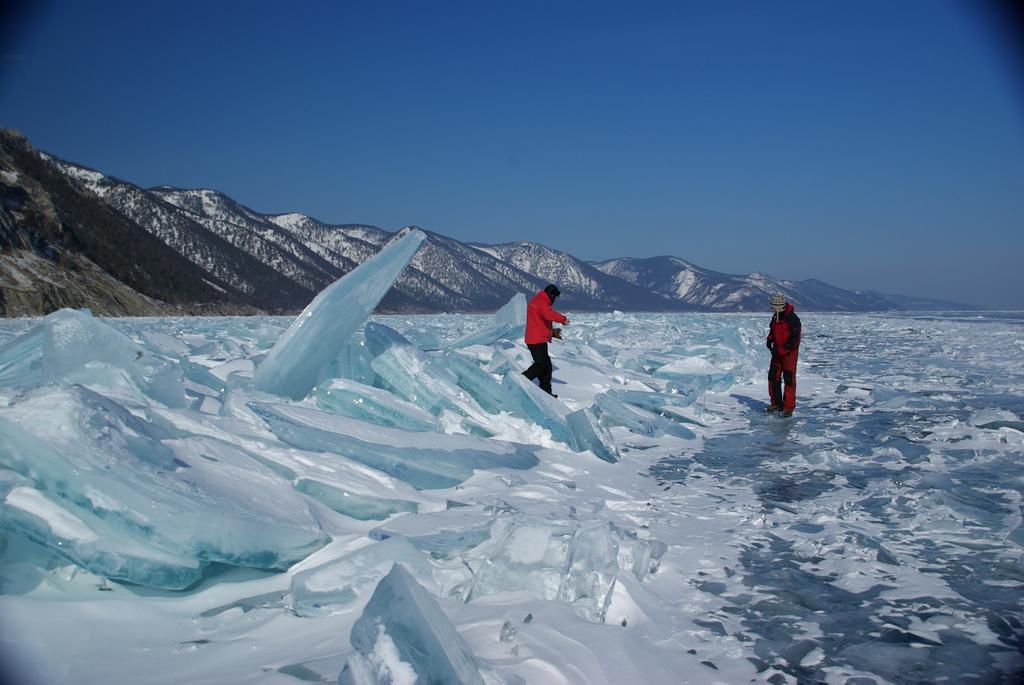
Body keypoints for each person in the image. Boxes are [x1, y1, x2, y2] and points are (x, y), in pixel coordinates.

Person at [523, 284, 569, 396]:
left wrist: (551, 332)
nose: (554, 300)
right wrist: (563, 319)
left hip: (538, 339)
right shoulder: (541, 302)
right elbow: (549, 314)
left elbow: (541, 322)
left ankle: (546, 394)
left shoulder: (540, 300)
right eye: (554, 297)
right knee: (541, 365)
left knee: (547, 367)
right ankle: (521, 380)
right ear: (551, 294)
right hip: (536, 340)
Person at [765, 292, 801, 417]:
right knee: (773, 377)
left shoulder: (792, 319)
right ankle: (775, 403)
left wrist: (783, 350)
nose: (772, 308)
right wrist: (770, 340)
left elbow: (795, 339)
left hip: (789, 355)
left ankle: (788, 407)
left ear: (780, 306)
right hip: (777, 354)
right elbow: (772, 331)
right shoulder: (775, 317)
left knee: (789, 380)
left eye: (773, 306)